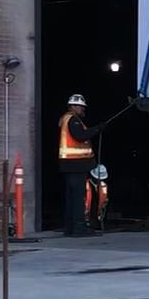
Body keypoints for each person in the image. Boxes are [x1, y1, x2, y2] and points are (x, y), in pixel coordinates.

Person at [58, 94, 105, 236]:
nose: (82, 109)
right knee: (78, 198)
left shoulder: (67, 119)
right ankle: (79, 228)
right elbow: (80, 136)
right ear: (73, 106)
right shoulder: (73, 120)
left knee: (72, 197)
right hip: (76, 165)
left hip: (70, 165)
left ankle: (70, 228)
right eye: (80, 107)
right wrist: (97, 129)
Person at [85, 165, 110, 230]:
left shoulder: (103, 186)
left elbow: (104, 204)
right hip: (84, 220)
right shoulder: (85, 185)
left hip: (98, 220)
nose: (100, 180)